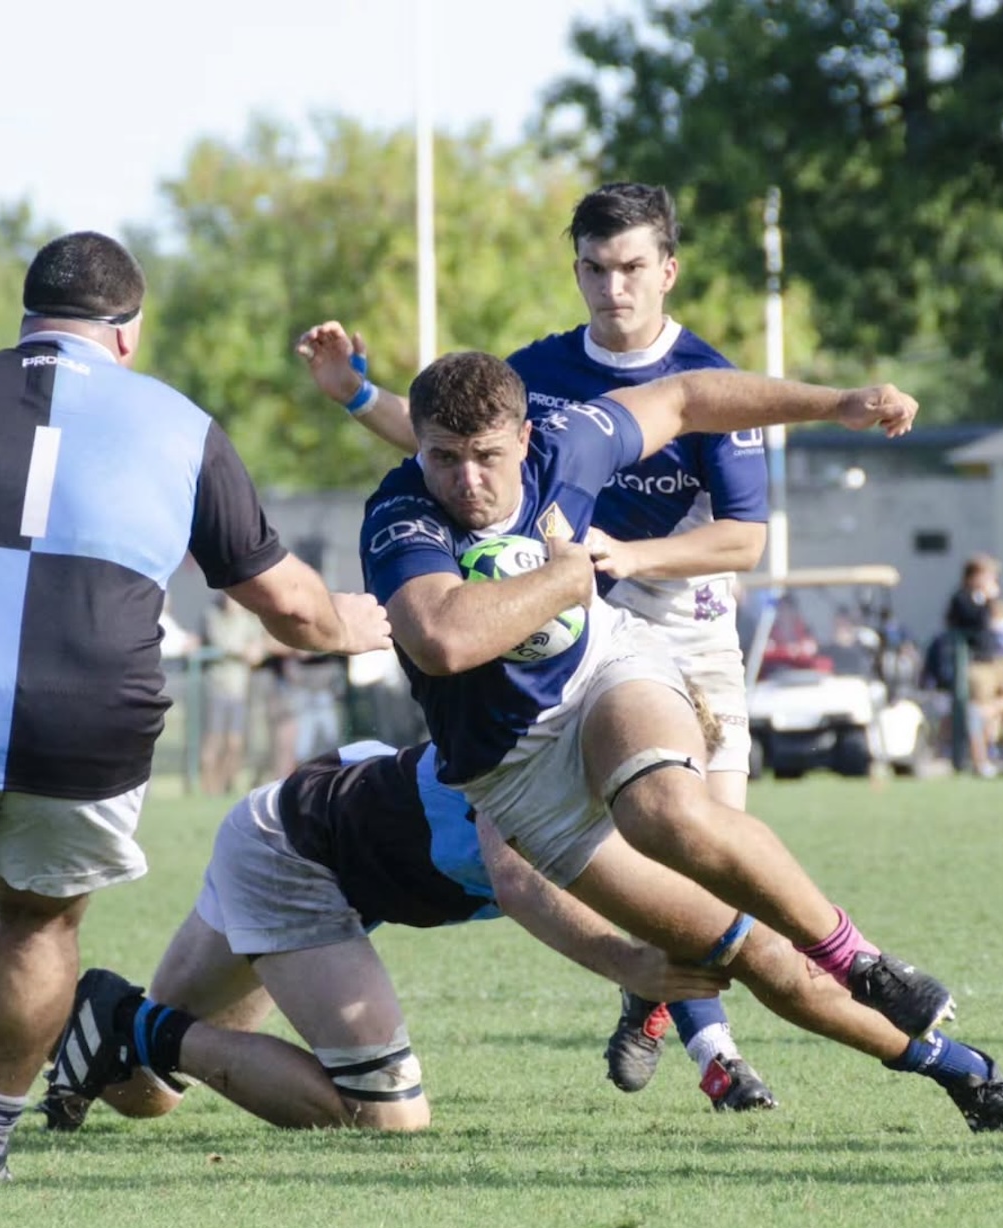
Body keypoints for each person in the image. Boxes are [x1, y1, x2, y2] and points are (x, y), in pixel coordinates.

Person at [298, 183, 807, 1101]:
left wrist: (630, 555)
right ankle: (719, 1059)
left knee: (710, 856)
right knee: (528, 858)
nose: (613, 289)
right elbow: (450, 442)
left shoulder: (706, 376)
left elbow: (745, 541)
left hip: (687, 631)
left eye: (632, 268)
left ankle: (657, 997)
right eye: (594, 269)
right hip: (562, 630)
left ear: (668, 270)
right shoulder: (538, 370)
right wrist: (358, 395)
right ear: (576, 270)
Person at [346, 352, 962, 1071]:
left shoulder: (568, 444)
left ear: (524, 437)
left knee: (662, 810)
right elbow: (442, 640)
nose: (467, 480)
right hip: (512, 773)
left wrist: (836, 403)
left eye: (486, 456)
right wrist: (564, 578)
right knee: (749, 953)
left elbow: (686, 396)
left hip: (604, 673)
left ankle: (862, 962)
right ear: (418, 447)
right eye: (443, 458)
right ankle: (962, 1071)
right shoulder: (401, 514)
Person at [0, 231, 391, 1182]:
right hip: (87, 716)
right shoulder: (180, 423)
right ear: (128, 332)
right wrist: (355, 623)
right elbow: (288, 606)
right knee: (37, 923)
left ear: (27, 320)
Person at [42, 741, 1003, 1137]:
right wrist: (629, 965)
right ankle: (127, 1016)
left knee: (142, 1094)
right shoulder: (534, 746)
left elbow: (778, 965)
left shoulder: (667, 819)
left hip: (327, 848)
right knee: (384, 1116)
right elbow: (516, 878)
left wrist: (953, 1069)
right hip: (292, 854)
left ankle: (54, 1000)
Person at [946, 554, 1003, 777]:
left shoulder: (984, 599)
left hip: (997, 660)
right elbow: (975, 621)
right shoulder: (962, 599)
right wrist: (986, 599)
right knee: (979, 720)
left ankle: (988, 709)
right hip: (978, 662)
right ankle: (980, 761)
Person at [199, 593, 267, 794]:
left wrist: (256, 649)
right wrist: (243, 650)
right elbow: (221, 642)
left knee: (235, 743)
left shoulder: (247, 619)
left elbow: (257, 645)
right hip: (217, 686)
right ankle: (208, 788)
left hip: (239, 689)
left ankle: (226, 786)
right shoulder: (213, 616)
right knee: (214, 740)